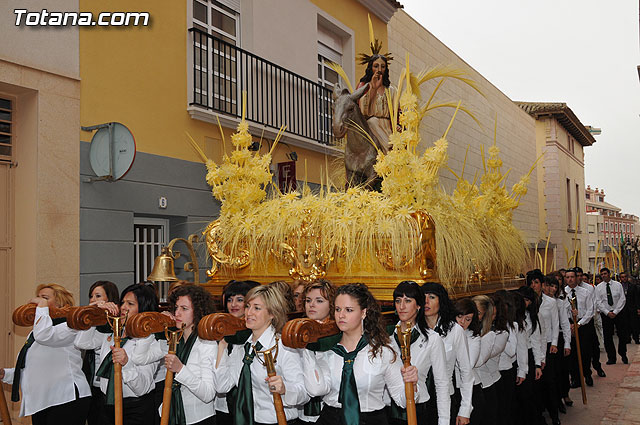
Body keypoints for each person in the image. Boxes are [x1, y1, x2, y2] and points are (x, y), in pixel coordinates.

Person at [308, 283, 418, 425]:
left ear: (363, 312)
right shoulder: (327, 349)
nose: (341, 315)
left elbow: (403, 401)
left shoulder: (382, 351)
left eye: (349, 310)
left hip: (371, 419)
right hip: (331, 418)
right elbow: (315, 390)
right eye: (337, 309)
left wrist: (412, 384)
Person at [217, 284, 309, 425]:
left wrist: (285, 389)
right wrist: (222, 347)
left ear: (272, 313)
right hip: (246, 420)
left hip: (278, 420)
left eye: (257, 308)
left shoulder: (284, 347)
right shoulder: (241, 346)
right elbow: (222, 386)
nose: (249, 313)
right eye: (248, 306)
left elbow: (303, 393)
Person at [1, 283, 91, 425]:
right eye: (38, 297)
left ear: (60, 303)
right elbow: (32, 370)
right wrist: (5, 374)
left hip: (66, 398)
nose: (38, 301)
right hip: (42, 402)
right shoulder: (35, 332)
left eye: (44, 298)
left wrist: (42, 306)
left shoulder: (69, 325)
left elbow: (44, 335)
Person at [132, 284, 219, 425]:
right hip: (168, 413)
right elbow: (140, 358)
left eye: (184, 309)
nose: (177, 313)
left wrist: (180, 369)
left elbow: (208, 394)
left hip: (198, 418)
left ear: (198, 311)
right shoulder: (172, 339)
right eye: (176, 307)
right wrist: (153, 326)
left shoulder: (207, 344)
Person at [75, 283, 160, 425]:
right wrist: (95, 311)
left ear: (143, 308)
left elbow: (142, 387)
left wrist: (126, 364)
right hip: (106, 404)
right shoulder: (112, 330)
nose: (123, 307)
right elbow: (81, 343)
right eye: (123, 303)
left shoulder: (150, 339)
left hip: (135, 408)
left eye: (130, 304)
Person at [389, 281, 450, 425]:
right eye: (398, 301)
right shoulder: (386, 338)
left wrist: (444, 421)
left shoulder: (432, 339)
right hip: (388, 412)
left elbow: (442, 383)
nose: (402, 306)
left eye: (408, 301)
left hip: (420, 411)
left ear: (418, 305)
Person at [422, 282, 473, 425]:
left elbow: (466, 373)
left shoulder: (454, 330)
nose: (426, 301)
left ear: (441, 301)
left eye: (432, 297)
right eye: (423, 297)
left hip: (446, 397)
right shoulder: (414, 331)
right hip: (419, 399)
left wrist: (465, 409)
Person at [215, 280, 260, 425]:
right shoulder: (219, 329)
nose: (233, 305)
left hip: (248, 405)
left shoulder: (253, 334)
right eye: (230, 300)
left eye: (239, 300)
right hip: (222, 404)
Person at [299, 279, 337, 424]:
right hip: (300, 412)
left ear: (331, 304)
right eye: (308, 300)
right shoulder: (298, 332)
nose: (312, 305)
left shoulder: (337, 336)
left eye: (319, 301)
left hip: (329, 412)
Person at [84, 281, 120, 425]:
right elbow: (81, 342)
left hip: (109, 387)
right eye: (91, 296)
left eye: (98, 296)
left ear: (109, 299)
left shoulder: (116, 322)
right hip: (91, 385)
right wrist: (90, 313)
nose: (93, 300)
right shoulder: (93, 322)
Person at [471, 295, 508, 425]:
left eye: (478, 313)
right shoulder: (465, 330)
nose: (474, 316)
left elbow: (477, 361)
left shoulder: (491, 334)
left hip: (487, 383)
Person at [355, 52, 395, 154]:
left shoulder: (391, 90)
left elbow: (396, 112)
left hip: (388, 127)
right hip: (371, 126)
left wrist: (398, 125)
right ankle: (390, 153)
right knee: (372, 121)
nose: (379, 70)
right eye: (376, 66)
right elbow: (364, 112)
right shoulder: (364, 87)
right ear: (370, 68)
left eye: (383, 67)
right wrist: (373, 88)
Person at [515, 286, 543, 425]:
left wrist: (538, 364)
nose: (524, 303)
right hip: (514, 361)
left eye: (527, 300)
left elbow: (536, 340)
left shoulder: (531, 316)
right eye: (522, 299)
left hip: (529, 357)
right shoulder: (512, 317)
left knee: (529, 396)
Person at [564, 268, 595, 388]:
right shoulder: (563, 293)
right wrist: (570, 324)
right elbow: (562, 312)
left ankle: (587, 374)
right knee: (572, 354)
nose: (570, 279)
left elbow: (590, 310)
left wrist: (579, 323)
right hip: (570, 325)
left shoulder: (585, 292)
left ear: (576, 278)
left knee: (585, 352)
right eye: (568, 277)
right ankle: (575, 378)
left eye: (572, 277)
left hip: (583, 325)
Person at [454, 299, 483, 425]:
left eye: (468, 319)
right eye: (459, 316)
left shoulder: (473, 337)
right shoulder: (445, 334)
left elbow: (468, 364)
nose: (462, 322)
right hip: (451, 388)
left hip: (470, 388)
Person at [596, 267, 628, 364]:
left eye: (605, 274)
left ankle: (623, 353)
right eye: (602, 274)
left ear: (609, 274)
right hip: (606, 314)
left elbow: (622, 299)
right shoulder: (599, 287)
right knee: (607, 336)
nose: (603, 276)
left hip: (618, 313)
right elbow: (598, 302)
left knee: (622, 334)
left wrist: (616, 311)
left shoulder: (618, 285)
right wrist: (607, 312)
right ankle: (611, 357)